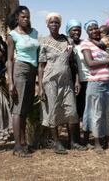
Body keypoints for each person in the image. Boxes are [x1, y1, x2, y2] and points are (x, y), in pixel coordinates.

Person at [38, 13, 84, 154]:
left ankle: (73, 142)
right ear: (47, 24)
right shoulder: (43, 41)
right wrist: (40, 87)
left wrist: (76, 80)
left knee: (71, 110)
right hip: (50, 81)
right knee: (53, 110)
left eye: (56, 22)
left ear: (60, 24)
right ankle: (57, 143)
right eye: (51, 22)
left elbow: (73, 63)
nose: (54, 24)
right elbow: (41, 66)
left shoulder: (67, 40)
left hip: (67, 81)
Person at [6, 5, 39, 157]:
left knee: (25, 109)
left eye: (28, 16)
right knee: (17, 110)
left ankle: (24, 143)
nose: (26, 19)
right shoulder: (13, 35)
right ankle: (17, 146)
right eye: (23, 17)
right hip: (20, 70)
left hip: (32, 72)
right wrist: (11, 82)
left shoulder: (34, 33)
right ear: (17, 18)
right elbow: (10, 60)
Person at [81, 20, 109, 153]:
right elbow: (90, 62)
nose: (94, 31)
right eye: (90, 29)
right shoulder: (86, 44)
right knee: (96, 113)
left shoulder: (104, 43)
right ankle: (97, 143)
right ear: (87, 32)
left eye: (95, 28)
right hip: (96, 83)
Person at [67, 19, 89, 146]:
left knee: (85, 110)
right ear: (68, 31)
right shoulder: (67, 44)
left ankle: (85, 138)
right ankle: (74, 139)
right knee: (73, 111)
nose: (77, 32)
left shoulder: (85, 43)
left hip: (86, 79)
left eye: (79, 30)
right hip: (71, 81)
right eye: (74, 30)